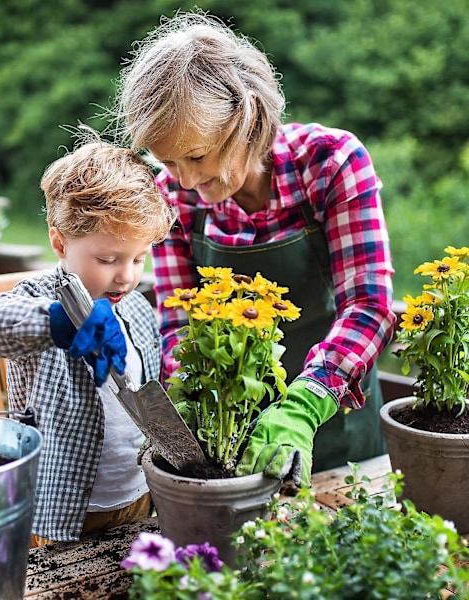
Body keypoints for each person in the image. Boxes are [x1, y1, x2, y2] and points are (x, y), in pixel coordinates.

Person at [109, 11, 397, 487]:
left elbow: (370, 305)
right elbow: (179, 322)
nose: (186, 180)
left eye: (198, 156)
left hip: (334, 422)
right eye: (168, 162)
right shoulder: (171, 196)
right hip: (230, 436)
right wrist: (188, 408)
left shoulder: (330, 163)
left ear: (248, 119)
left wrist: (304, 406)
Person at [0, 131, 175, 545]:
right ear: (60, 243)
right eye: (108, 259)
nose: (127, 275)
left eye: (139, 257)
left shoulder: (135, 307)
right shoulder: (39, 298)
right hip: (61, 509)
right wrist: (60, 322)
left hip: (138, 494)